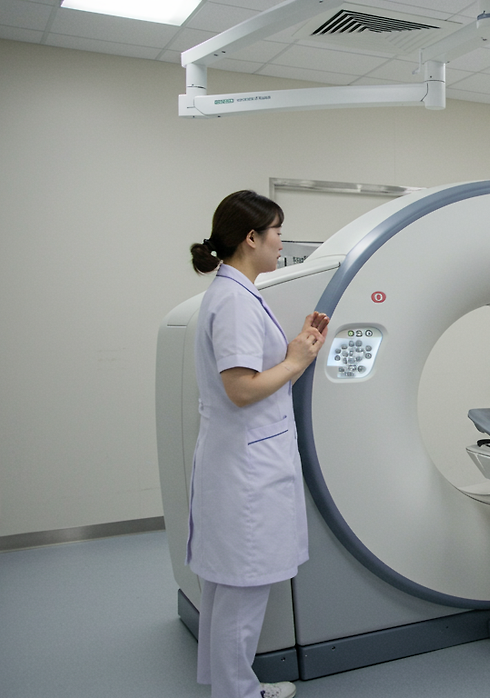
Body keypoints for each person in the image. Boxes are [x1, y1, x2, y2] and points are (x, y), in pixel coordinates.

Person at [187, 191, 329, 698]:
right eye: (277, 232)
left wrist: (298, 348)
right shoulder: (234, 301)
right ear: (252, 237)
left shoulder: (238, 294)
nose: (281, 242)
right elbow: (241, 389)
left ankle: (226, 683)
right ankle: (239, 693)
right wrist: (295, 362)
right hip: (246, 467)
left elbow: (257, 375)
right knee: (243, 587)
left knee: (231, 585)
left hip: (242, 458)